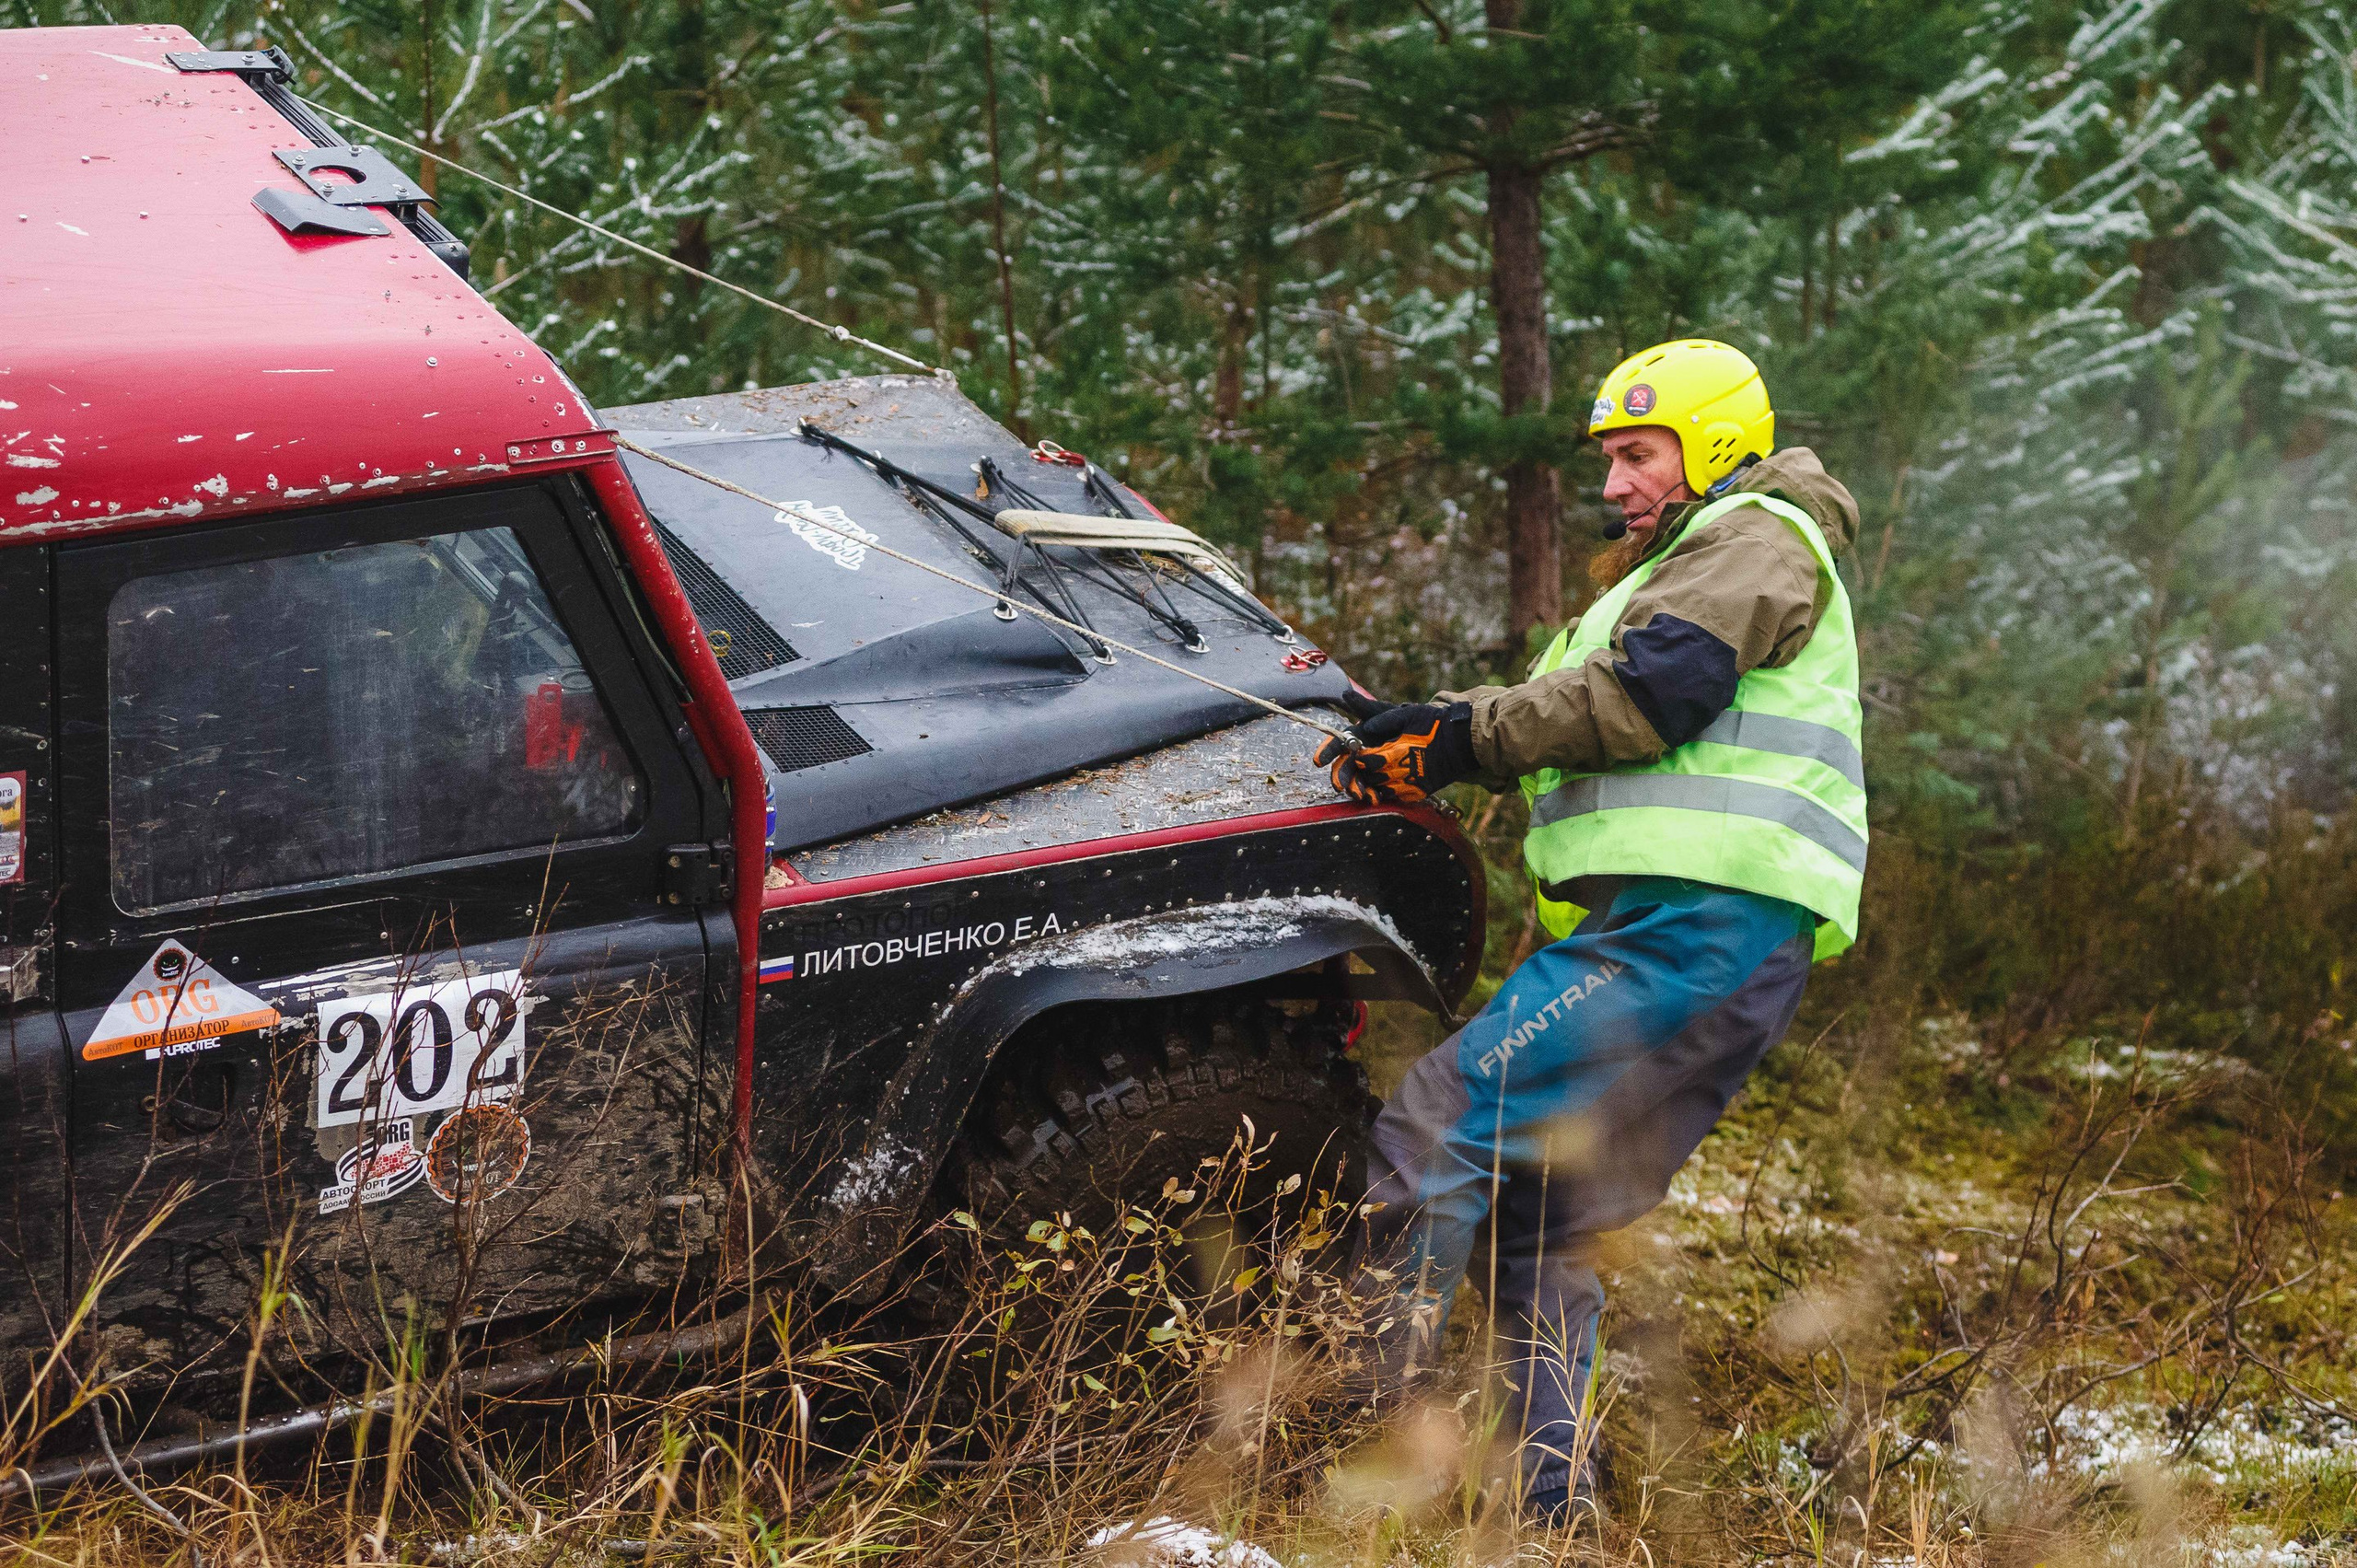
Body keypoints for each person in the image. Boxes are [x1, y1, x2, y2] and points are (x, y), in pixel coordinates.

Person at [1318, 338, 1866, 1524]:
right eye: (1609, 460)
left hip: (1694, 932)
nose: (1612, 485)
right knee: (1549, 1212)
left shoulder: (1757, 535)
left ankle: (1357, 1450)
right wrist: (1435, 727)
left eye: (1635, 456)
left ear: (1715, 443)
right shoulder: (1695, 559)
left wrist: (1460, 743)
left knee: (1442, 1119)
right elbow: (1588, 708)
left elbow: (1648, 697)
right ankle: (1552, 1511)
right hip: (1710, 938)